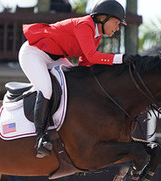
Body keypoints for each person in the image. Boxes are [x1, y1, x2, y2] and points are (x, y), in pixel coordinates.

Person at [19, 0, 130, 158]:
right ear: (103, 18)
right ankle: (40, 138)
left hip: (55, 58)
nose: (117, 28)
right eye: (116, 23)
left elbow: (85, 64)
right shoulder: (84, 25)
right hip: (34, 53)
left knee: (77, 84)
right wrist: (120, 58)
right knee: (46, 88)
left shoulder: (96, 34)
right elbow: (92, 56)